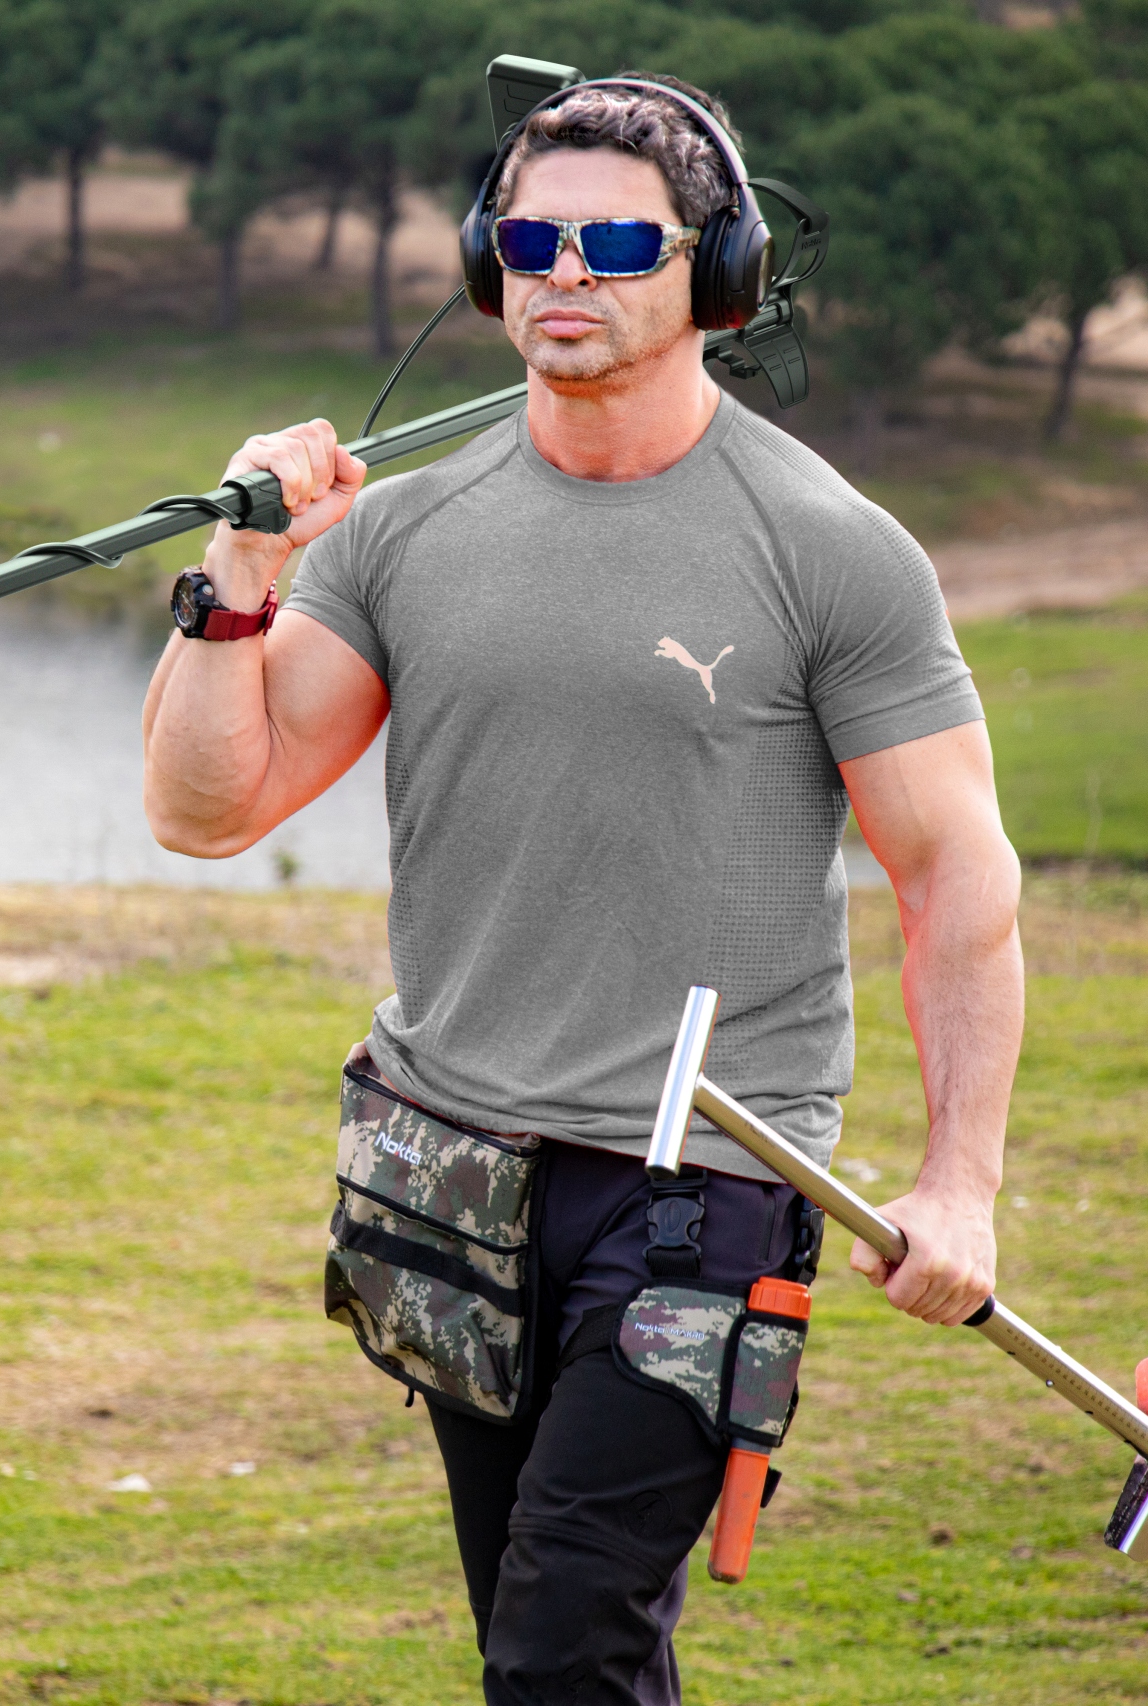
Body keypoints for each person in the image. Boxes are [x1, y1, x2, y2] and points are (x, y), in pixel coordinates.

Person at [140, 76, 1022, 1706]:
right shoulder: (403, 535)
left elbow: (955, 877)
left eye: (618, 243)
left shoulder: (828, 548)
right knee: (541, 1637)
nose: (567, 271)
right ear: (487, 262)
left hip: (707, 1180)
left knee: (562, 1644)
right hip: (453, 1170)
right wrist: (240, 581)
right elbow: (207, 809)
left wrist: (960, 1181)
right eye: (532, 239)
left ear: (719, 270)